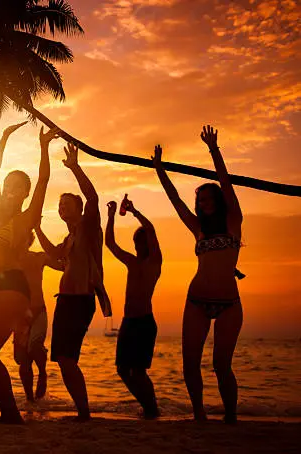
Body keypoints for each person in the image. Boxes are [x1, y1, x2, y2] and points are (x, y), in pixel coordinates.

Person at [0, 122, 60, 424]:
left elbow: (43, 180)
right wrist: (2, 138)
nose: (8, 190)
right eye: (7, 185)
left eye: (17, 187)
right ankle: (8, 410)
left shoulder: (25, 219)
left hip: (12, 289)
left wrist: (44, 147)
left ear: (24, 194)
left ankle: (11, 414)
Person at [153, 125, 244, 424]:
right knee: (190, 363)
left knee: (221, 365)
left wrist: (213, 149)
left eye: (207, 200)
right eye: (200, 201)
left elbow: (227, 185)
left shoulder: (233, 221)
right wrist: (159, 169)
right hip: (196, 301)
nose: (202, 204)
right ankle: (199, 414)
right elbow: (175, 201)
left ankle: (231, 416)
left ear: (216, 201)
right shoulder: (198, 229)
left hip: (229, 304)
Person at [35, 142, 111, 421]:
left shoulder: (88, 229)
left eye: (67, 203)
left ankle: (84, 413)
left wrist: (75, 167)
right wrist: (36, 227)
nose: (62, 207)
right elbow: (53, 255)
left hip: (81, 301)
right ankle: (83, 411)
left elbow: (93, 198)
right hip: (65, 303)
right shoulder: (68, 240)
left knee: (67, 359)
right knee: (64, 361)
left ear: (78, 209)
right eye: (60, 205)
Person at [105, 197, 161, 419]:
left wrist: (134, 211)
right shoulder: (132, 262)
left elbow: (151, 229)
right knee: (122, 370)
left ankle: (152, 410)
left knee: (138, 371)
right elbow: (109, 244)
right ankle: (148, 407)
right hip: (128, 322)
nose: (139, 246)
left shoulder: (154, 261)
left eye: (143, 242)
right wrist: (110, 218)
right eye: (137, 242)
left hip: (144, 322)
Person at [14, 232, 63, 402]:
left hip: (38, 310)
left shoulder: (39, 257)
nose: (21, 240)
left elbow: (62, 266)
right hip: (19, 314)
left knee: (34, 346)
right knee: (23, 360)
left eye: (24, 237)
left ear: (29, 240)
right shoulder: (11, 261)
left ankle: (42, 372)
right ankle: (29, 400)